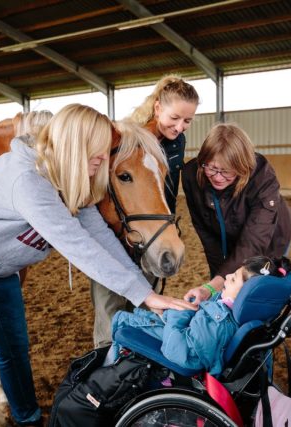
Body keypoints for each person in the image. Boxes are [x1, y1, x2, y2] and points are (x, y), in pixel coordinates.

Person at [0, 104, 196, 427]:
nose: (103, 160)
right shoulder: (28, 180)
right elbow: (78, 246)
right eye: (98, 152)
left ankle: (29, 419)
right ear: (75, 145)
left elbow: (100, 238)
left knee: (14, 348)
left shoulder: (75, 178)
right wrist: (142, 295)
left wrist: (145, 293)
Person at [91, 75, 200, 348]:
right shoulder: (130, 139)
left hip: (155, 231)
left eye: (187, 121)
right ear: (157, 108)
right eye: (175, 117)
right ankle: (106, 363)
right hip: (121, 235)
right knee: (111, 311)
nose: (180, 126)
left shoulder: (177, 142)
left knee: (143, 306)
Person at [109, 256, 291, 376]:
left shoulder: (219, 325)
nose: (226, 278)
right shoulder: (236, 312)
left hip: (173, 346)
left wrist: (178, 312)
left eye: (233, 278)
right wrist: (202, 299)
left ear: (246, 295)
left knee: (122, 322)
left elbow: (183, 355)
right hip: (178, 330)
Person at [182, 122, 291, 304]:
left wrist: (214, 284)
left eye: (226, 171)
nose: (218, 177)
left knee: (256, 289)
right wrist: (216, 282)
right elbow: (205, 231)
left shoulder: (262, 177)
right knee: (223, 288)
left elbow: (253, 243)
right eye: (211, 168)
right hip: (225, 232)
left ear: (243, 168)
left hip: (268, 238)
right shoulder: (191, 174)